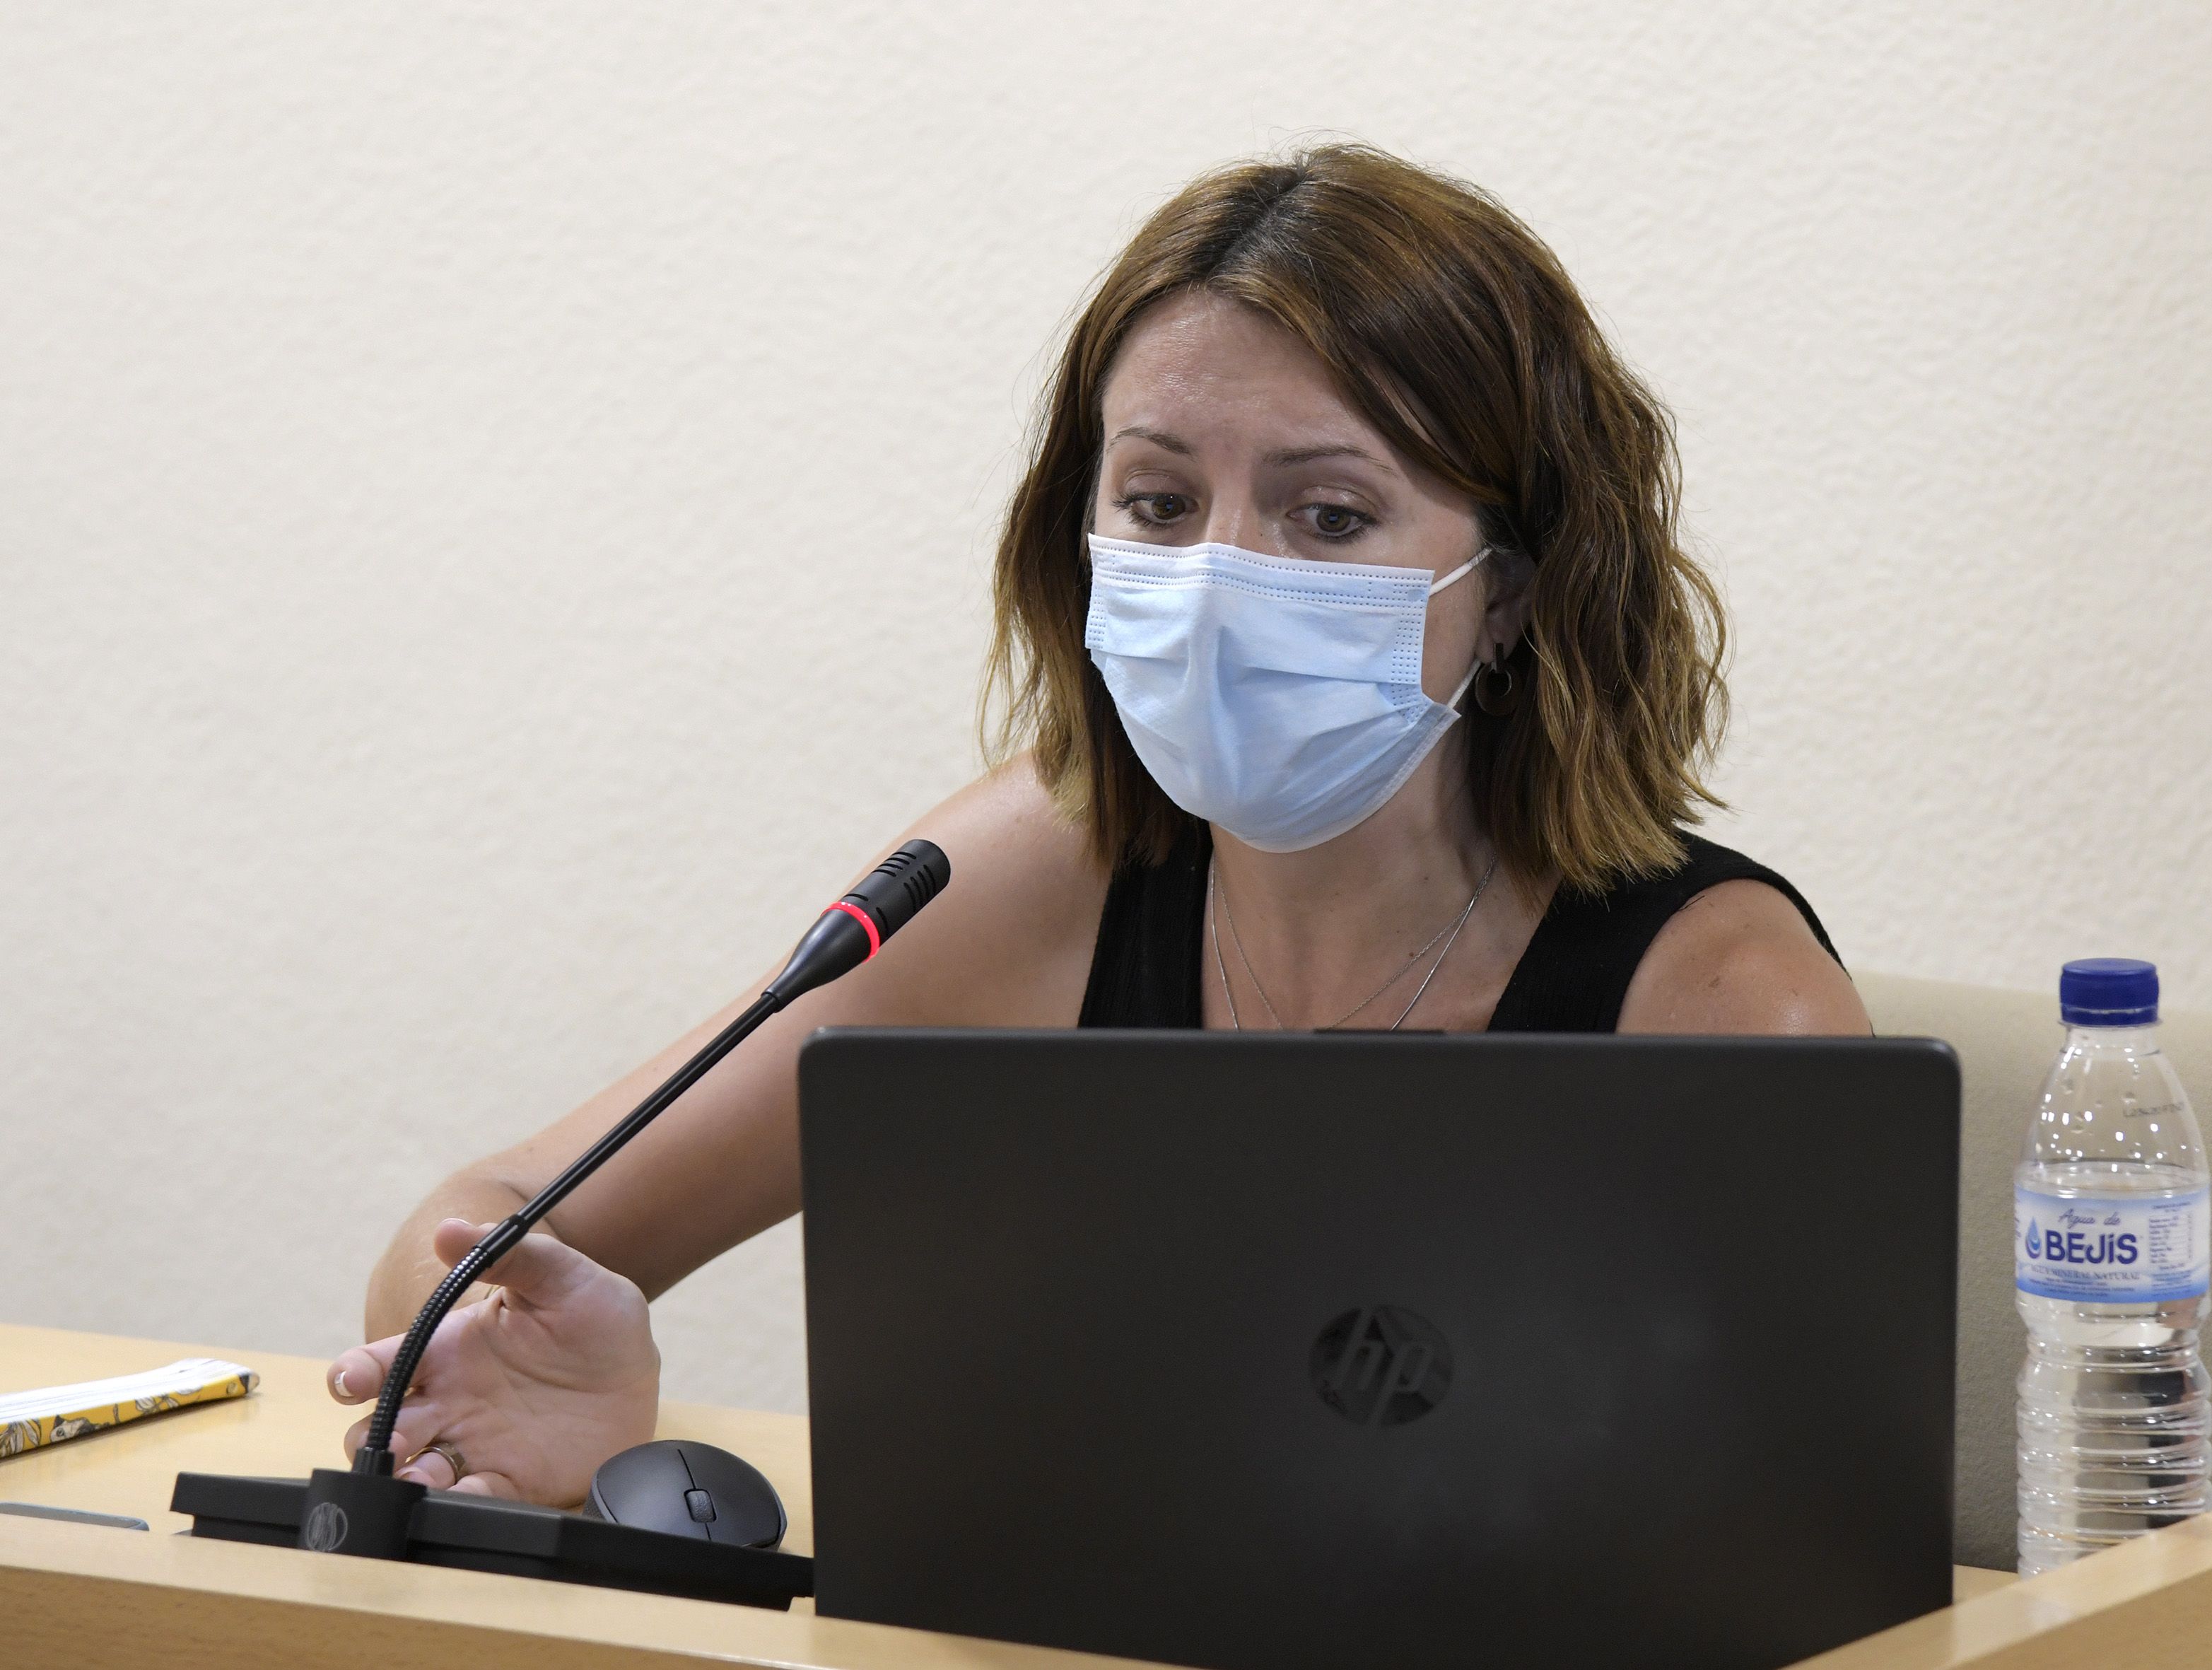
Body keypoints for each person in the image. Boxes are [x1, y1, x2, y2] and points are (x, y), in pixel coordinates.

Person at [328, 143, 1869, 1505]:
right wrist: (516, 1389)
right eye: (1157, 502)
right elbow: (471, 1232)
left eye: (1328, 515)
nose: (1215, 579)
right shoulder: (1033, 872)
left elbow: (1819, 1543)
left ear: (1512, 589)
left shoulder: (1726, 997)